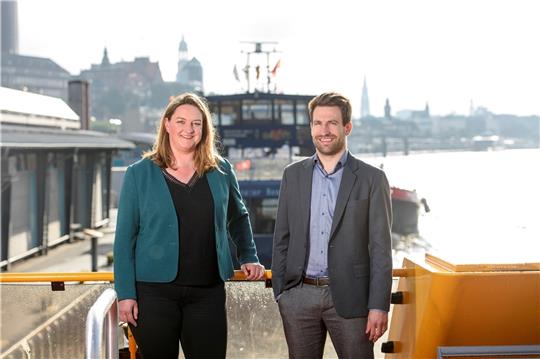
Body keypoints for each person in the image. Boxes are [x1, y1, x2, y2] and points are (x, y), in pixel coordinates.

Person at [114, 92, 265, 359]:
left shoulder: (222, 170)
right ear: (167, 124)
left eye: (197, 123)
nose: (189, 129)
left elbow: (239, 217)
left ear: (204, 129)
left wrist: (249, 255)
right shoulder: (139, 173)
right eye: (181, 121)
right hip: (154, 293)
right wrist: (125, 293)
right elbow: (125, 239)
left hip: (207, 292)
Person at [272, 92, 392, 359]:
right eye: (317, 123)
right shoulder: (292, 175)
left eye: (332, 123)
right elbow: (282, 237)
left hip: (352, 300)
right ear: (311, 127)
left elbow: (381, 249)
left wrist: (378, 306)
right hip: (298, 297)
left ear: (347, 127)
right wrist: (282, 293)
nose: (324, 131)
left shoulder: (372, 179)